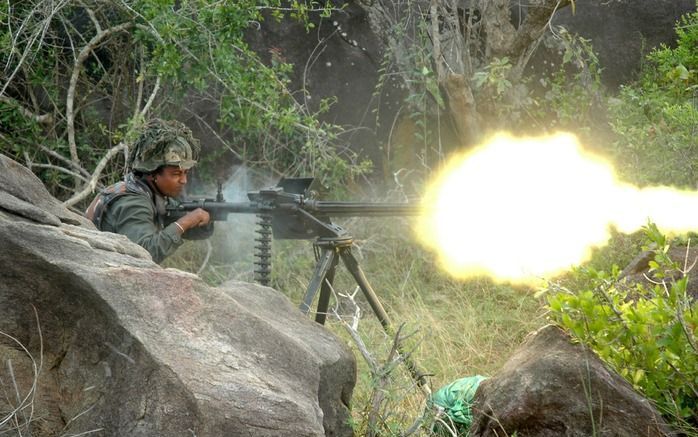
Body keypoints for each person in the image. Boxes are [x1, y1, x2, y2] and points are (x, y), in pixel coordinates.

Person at [86, 119, 211, 263]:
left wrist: (206, 219)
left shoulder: (152, 193)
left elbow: (182, 228)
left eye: (186, 173)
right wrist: (185, 222)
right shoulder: (133, 202)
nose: (184, 180)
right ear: (152, 174)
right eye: (176, 174)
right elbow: (144, 254)